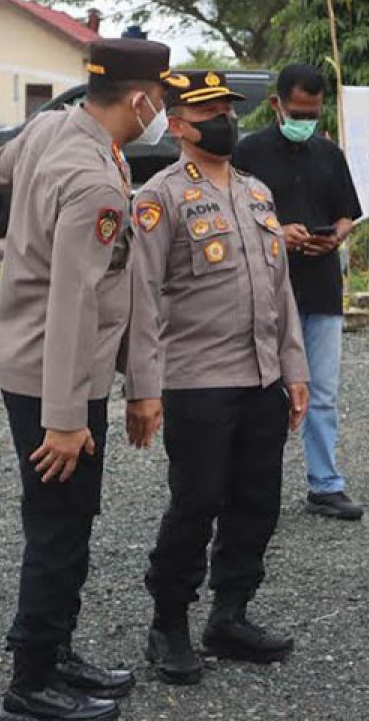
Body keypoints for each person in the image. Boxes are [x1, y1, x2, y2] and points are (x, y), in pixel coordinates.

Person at [0, 38, 170, 721]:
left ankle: (54, 649)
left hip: (34, 364)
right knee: (60, 527)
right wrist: (65, 418)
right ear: (141, 100)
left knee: (64, 520)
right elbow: (73, 300)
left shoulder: (53, 128)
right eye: (163, 102)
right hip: (57, 378)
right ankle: (32, 682)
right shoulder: (94, 178)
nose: (164, 117)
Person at [124, 70, 311, 684]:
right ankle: (168, 623)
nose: (224, 120)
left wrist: (295, 369)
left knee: (257, 502)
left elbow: (279, 289)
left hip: (261, 378)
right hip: (197, 380)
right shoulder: (160, 197)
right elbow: (143, 299)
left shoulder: (257, 193)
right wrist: (144, 390)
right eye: (209, 112)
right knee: (197, 501)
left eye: (228, 109)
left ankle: (230, 615)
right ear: (178, 125)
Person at [232, 64, 364, 522]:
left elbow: (348, 213)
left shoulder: (330, 154)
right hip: (266, 291)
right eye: (296, 111)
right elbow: (235, 220)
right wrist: (276, 233)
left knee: (322, 391)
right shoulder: (245, 154)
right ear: (275, 105)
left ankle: (325, 484)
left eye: (312, 112)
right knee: (263, 393)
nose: (304, 119)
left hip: (322, 287)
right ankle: (253, 487)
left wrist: (337, 236)